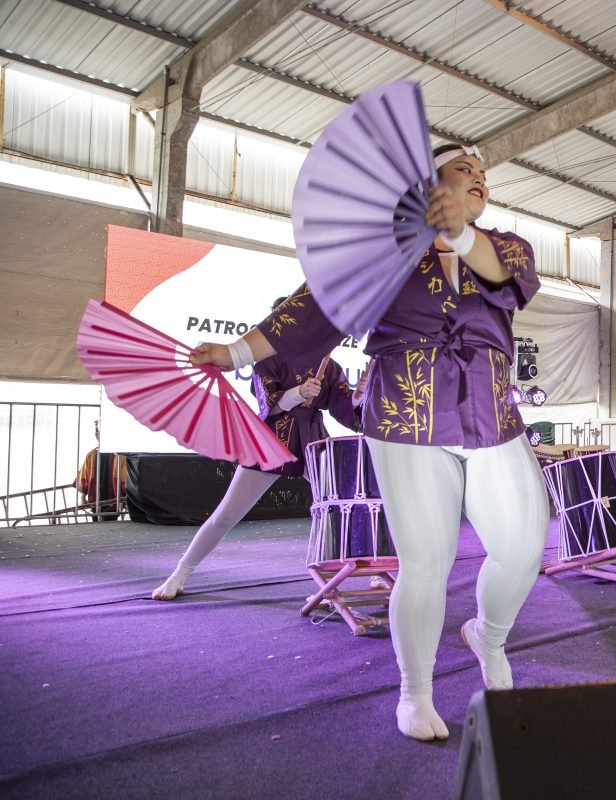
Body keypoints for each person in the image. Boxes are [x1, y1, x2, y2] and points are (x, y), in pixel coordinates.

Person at [192, 143, 548, 743]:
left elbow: (495, 269)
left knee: (522, 548)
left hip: (490, 411)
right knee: (427, 560)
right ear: (426, 184)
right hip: (404, 409)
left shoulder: (507, 245)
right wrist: (232, 353)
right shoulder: (381, 255)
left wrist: (459, 231)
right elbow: (309, 310)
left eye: (483, 176)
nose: (480, 179)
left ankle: (487, 636)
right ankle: (416, 692)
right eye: (465, 171)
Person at [152, 299, 361, 601]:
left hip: (314, 441)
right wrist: (295, 394)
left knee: (334, 509)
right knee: (226, 514)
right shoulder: (268, 360)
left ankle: (340, 580)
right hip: (271, 442)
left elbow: (345, 408)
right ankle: (180, 573)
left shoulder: (329, 366)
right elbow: (267, 405)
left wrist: (359, 396)